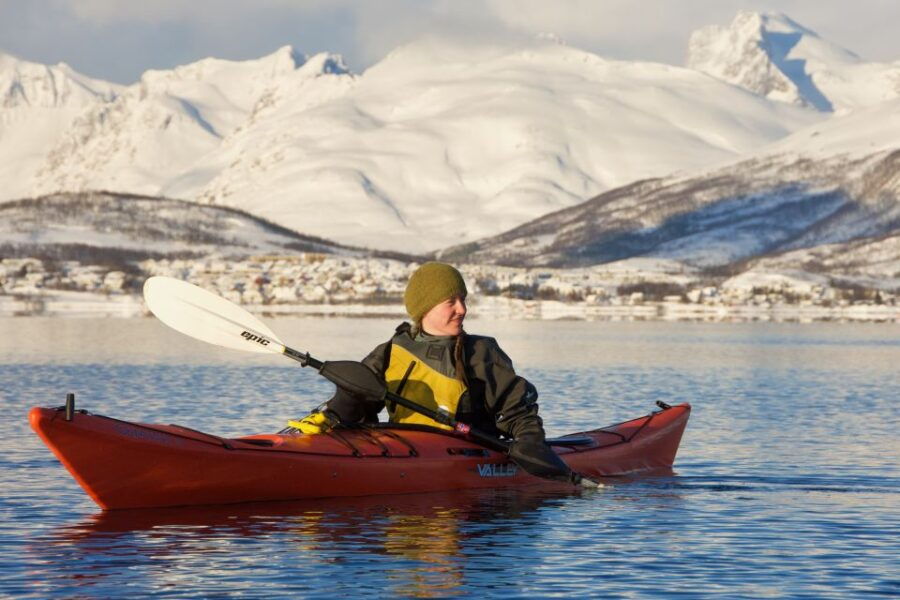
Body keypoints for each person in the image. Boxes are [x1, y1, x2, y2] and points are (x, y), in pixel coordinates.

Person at [289, 261, 583, 484]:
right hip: (404, 452)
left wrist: (530, 443)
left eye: (463, 300)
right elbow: (358, 399)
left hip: (470, 459)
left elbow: (518, 412)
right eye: (450, 302)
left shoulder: (480, 352)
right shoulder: (391, 351)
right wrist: (333, 415)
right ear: (424, 308)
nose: (462, 309)